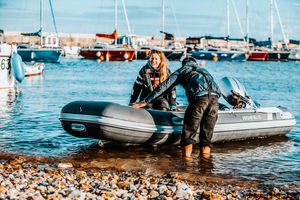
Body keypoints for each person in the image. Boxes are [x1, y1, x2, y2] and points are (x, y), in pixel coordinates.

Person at [132, 57, 221, 158]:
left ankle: (186, 164)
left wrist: (145, 101)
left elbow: (164, 86)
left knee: (188, 134)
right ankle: (206, 166)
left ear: (184, 64)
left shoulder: (182, 70)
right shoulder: (205, 71)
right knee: (206, 138)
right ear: (195, 63)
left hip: (199, 99)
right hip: (215, 100)